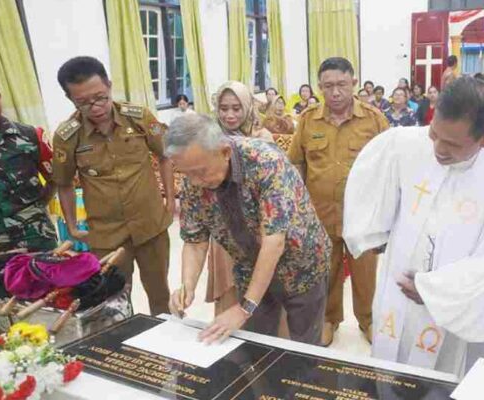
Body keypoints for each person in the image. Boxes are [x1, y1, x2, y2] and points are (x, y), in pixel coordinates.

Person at [344, 77, 484, 377]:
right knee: (391, 377)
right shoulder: (406, 143)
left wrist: (435, 290)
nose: (438, 150)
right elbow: (367, 189)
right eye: (435, 135)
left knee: (449, 382)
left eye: (452, 144)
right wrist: (368, 231)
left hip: (457, 310)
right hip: (399, 298)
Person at [166, 114, 330, 345]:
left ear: (224, 152)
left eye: (200, 172)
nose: (194, 182)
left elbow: (274, 242)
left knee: (304, 347)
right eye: (186, 173)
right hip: (250, 267)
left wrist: (245, 308)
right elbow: (194, 241)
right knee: (255, 343)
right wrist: (187, 286)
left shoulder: (266, 162)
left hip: (302, 266)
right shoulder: (194, 181)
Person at [52, 56, 173, 315]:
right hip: (107, 234)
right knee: (113, 298)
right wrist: (72, 225)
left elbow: (165, 156)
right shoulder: (67, 136)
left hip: (150, 224)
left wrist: (171, 201)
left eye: (100, 97)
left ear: (109, 85)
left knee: (160, 293)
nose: (95, 107)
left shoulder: (138, 117)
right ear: (70, 99)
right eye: (83, 103)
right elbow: (63, 184)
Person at [288, 57, 389, 346]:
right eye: (328, 86)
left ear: (353, 83)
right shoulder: (308, 120)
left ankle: (368, 319)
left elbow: (389, 166)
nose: (335, 92)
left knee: (365, 270)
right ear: (319, 87)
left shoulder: (373, 119)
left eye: (341, 85)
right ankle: (329, 319)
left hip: (363, 216)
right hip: (320, 214)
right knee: (326, 270)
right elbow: (296, 164)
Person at [0, 65, 58, 296]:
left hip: (35, 248)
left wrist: (36, 207)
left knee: (46, 312)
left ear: (0, 97)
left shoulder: (30, 137)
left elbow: (55, 179)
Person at [203, 81, 275, 318]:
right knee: (230, 285)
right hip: (224, 225)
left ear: (248, 107)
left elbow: (274, 191)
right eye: (224, 108)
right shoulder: (210, 138)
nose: (230, 115)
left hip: (259, 227)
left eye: (236, 108)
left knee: (262, 284)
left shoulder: (263, 138)